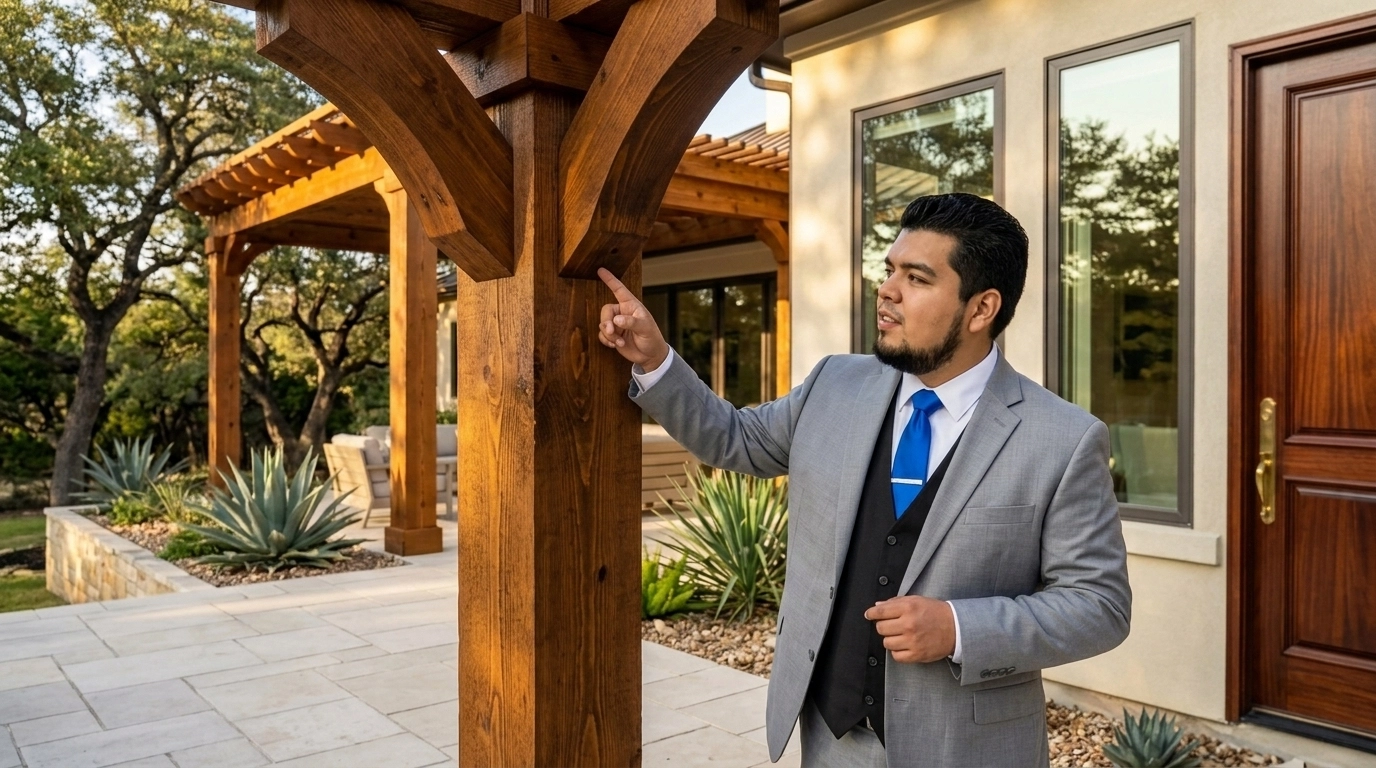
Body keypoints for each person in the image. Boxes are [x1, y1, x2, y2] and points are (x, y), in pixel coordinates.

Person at [597, 193, 1130, 768]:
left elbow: (1099, 605)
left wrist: (959, 628)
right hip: (832, 735)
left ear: (982, 309)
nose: (887, 290)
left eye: (917, 278)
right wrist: (655, 360)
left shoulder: (1062, 439)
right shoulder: (835, 383)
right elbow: (736, 438)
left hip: (963, 747)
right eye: (890, 270)